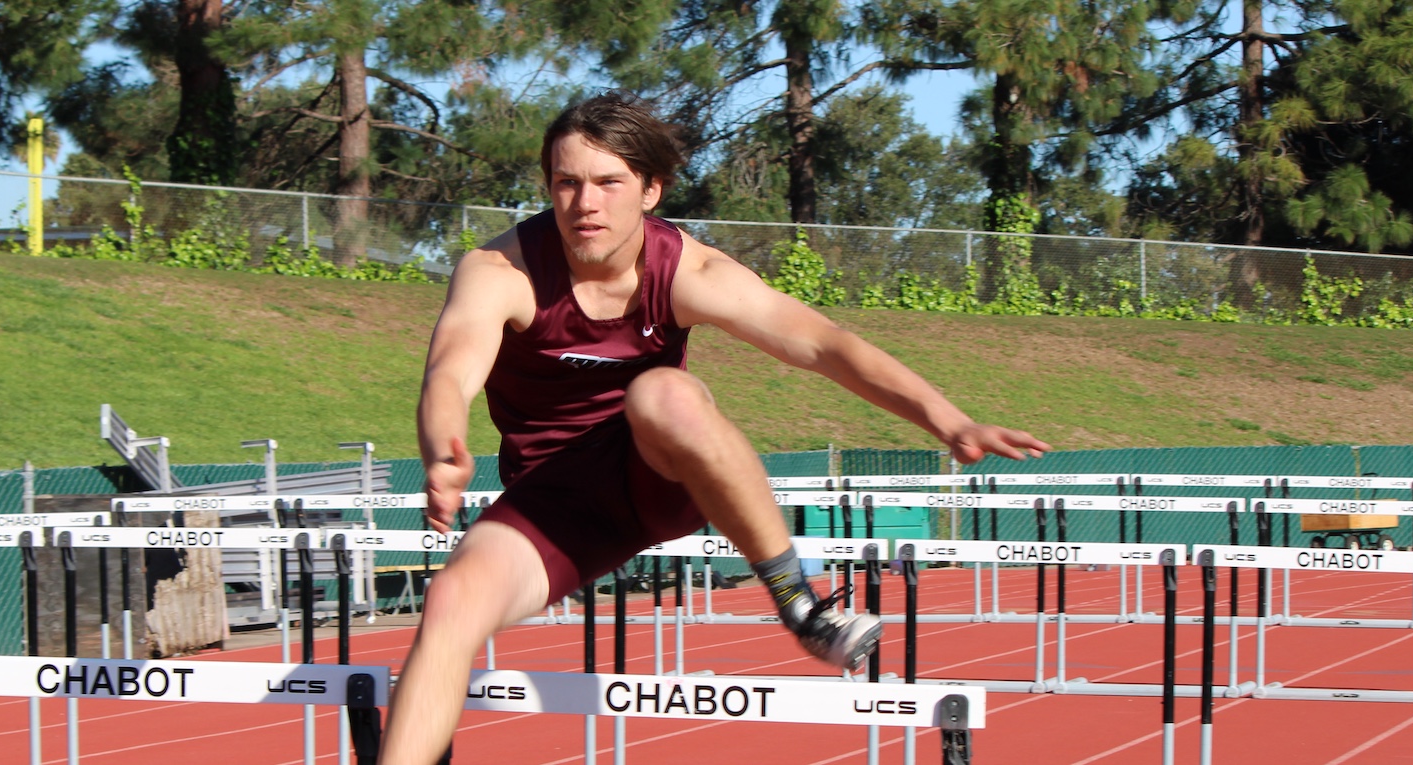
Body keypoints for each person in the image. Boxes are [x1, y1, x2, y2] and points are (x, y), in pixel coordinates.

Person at [382, 92, 1049, 764]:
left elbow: (821, 343)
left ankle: (800, 605)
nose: (586, 204)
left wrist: (948, 419)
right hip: (553, 501)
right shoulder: (501, 271)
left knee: (663, 392)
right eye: (567, 182)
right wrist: (442, 446)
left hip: (656, 474)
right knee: (449, 603)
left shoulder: (687, 271)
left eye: (609, 183)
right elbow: (449, 368)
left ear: (650, 189)